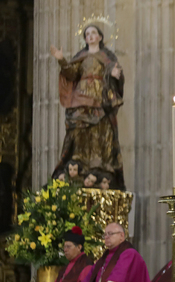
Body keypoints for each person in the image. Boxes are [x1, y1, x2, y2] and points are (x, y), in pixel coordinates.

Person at [50, 24, 126, 190]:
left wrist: (112, 74)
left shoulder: (108, 57)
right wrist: (61, 59)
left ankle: (99, 167)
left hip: (100, 98)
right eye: (87, 34)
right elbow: (71, 74)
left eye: (93, 33)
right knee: (78, 131)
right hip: (81, 97)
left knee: (101, 131)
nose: (90, 36)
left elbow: (117, 75)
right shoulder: (81, 57)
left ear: (100, 37)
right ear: (85, 39)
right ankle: (79, 163)